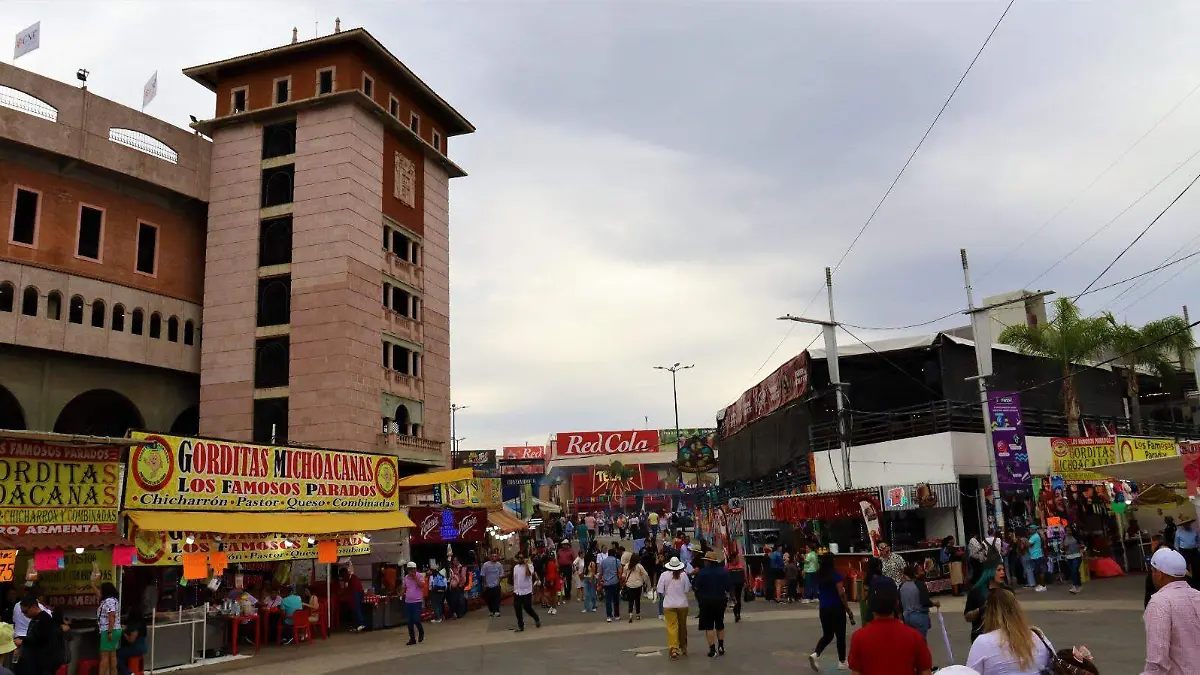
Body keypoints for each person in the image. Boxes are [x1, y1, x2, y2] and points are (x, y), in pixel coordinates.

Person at [847, 583, 933, 675]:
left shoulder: (858, 637)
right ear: (896, 604)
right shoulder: (914, 636)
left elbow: (856, 672)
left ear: (869, 605)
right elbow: (925, 671)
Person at [966, 588, 1054, 675]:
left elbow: (969, 672)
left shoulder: (982, 642)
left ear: (988, 613)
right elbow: (1054, 664)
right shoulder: (1037, 635)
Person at [1142, 547, 1200, 674]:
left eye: (1153, 570)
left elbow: (1157, 659)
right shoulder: (1197, 595)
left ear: (1160, 574)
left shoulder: (1160, 602)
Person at [808, 552, 854, 672]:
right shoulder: (836, 575)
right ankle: (842, 661)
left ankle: (816, 653)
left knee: (827, 634)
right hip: (836, 608)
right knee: (840, 635)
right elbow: (841, 594)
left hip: (824, 608)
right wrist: (848, 609)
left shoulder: (819, 575)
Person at [693, 551, 731, 658]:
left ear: (708, 562)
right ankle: (721, 646)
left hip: (706, 602)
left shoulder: (702, 573)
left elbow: (696, 587)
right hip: (720, 600)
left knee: (709, 626)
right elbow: (728, 588)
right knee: (720, 624)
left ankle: (712, 650)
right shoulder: (723, 572)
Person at [17, 596, 64, 675]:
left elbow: (43, 640)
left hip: (44, 661)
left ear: (33, 607)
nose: (25, 615)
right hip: (36, 661)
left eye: (25, 612)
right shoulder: (35, 618)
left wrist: (23, 641)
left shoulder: (44, 619)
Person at [656, 557, 691, 660]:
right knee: (682, 626)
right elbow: (687, 589)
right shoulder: (684, 575)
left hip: (669, 605)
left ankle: (673, 649)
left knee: (672, 627)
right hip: (682, 604)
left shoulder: (664, 575)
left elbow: (660, 590)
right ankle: (683, 647)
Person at [965, 564, 1009, 643]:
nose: (1003, 572)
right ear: (989, 572)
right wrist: (982, 609)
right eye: (999, 570)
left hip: (1004, 637)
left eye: (1003, 569)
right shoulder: (976, 591)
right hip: (982, 637)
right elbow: (967, 617)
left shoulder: (1007, 591)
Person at [899, 565, 939, 641]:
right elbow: (925, 601)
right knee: (921, 642)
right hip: (919, 616)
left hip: (906, 617)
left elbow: (900, 604)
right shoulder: (920, 584)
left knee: (911, 641)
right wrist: (934, 604)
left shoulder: (902, 586)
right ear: (915, 574)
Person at [510, 551, 541, 632]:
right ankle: (521, 626)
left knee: (527, 608)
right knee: (517, 609)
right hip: (517, 592)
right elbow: (515, 578)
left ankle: (536, 618)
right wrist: (514, 588)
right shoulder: (516, 567)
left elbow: (528, 574)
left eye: (521, 558)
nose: (519, 559)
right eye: (519, 558)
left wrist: (526, 564)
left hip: (526, 591)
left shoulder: (530, 566)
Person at [94, 582, 121, 675]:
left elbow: (111, 616)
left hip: (108, 630)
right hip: (115, 630)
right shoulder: (113, 600)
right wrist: (93, 584)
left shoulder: (108, 601)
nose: (100, 592)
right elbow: (97, 593)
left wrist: (109, 632)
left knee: (104, 657)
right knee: (113, 655)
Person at [862, 556, 898, 624]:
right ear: (879, 567)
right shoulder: (888, 580)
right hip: (889, 611)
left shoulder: (867, 581)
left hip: (873, 612)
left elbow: (864, 597)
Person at [400, 562, 425, 645]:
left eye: (412, 569)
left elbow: (422, 585)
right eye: (409, 569)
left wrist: (415, 578)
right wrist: (400, 594)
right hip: (408, 602)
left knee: (416, 619)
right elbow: (404, 588)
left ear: (415, 569)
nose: (411, 571)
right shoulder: (406, 578)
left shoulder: (420, 575)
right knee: (409, 621)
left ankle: (421, 632)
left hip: (417, 601)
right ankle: (412, 639)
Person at [116, 611, 147, 675]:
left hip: (136, 649)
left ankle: (127, 672)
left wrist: (123, 632)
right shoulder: (141, 623)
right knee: (122, 654)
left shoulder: (135, 626)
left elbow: (131, 640)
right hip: (140, 648)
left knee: (115, 655)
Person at [622, 552, 649, 622]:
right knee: (637, 600)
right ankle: (637, 614)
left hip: (629, 585)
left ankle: (630, 614)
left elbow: (623, 576)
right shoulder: (639, 566)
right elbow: (646, 574)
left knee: (630, 601)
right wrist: (644, 581)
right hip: (638, 585)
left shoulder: (627, 566)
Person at [599, 544, 622, 622]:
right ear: (614, 554)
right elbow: (620, 572)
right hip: (615, 582)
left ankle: (609, 616)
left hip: (606, 583)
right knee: (616, 599)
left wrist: (599, 581)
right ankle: (617, 615)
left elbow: (601, 573)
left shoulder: (603, 561)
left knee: (608, 600)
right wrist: (620, 581)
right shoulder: (617, 561)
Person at [1175, 516, 1198, 591]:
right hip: (1184, 551)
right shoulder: (1179, 532)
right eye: (1185, 523)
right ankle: (1187, 584)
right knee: (1185, 568)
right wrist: (1178, 553)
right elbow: (1176, 544)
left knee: (1197, 567)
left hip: (1194, 550)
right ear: (1183, 524)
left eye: (1188, 523)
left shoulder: (1194, 531)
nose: (1187, 525)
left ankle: (1197, 584)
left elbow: (1198, 540)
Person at [341, 566, 367, 632]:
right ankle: (359, 624)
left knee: (356, 609)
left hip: (356, 594)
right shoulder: (352, 577)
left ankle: (362, 624)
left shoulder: (350, 578)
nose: (342, 578)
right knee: (357, 609)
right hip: (358, 593)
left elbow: (348, 589)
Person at [480, 551, 504, 618]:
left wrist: (498, 582)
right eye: (492, 556)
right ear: (490, 557)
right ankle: (491, 610)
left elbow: (501, 575)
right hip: (488, 585)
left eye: (495, 556)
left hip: (496, 585)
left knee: (497, 598)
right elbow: (483, 575)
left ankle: (497, 611)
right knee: (489, 599)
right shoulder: (486, 565)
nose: (494, 558)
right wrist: (485, 584)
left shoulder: (499, 565)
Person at [726, 547, 747, 623]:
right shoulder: (728, 566)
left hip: (739, 584)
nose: (738, 559)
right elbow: (725, 575)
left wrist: (746, 582)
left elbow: (744, 574)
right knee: (734, 599)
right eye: (737, 557)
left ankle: (738, 613)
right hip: (732, 585)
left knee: (738, 599)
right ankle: (736, 615)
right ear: (733, 558)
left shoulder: (740, 565)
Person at [1062, 527, 1085, 595]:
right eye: (1066, 530)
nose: (1068, 532)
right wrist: (1064, 547)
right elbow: (1062, 548)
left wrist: (1079, 547)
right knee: (1074, 571)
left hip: (1077, 556)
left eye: (1069, 530)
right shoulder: (1064, 538)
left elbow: (1083, 545)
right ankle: (1079, 585)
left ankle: (1074, 586)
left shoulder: (1076, 537)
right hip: (1069, 556)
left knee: (1074, 570)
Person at [1026, 527, 1047, 592]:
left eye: (1031, 529)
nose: (1030, 530)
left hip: (1037, 556)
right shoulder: (1035, 536)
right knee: (1038, 571)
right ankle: (1041, 585)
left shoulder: (1034, 536)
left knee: (1039, 571)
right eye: (1030, 529)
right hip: (1036, 555)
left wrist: (1024, 541)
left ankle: (1043, 585)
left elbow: (1028, 544)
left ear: (1034, 530)